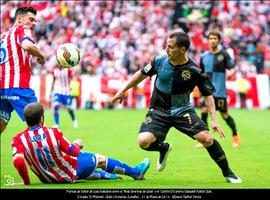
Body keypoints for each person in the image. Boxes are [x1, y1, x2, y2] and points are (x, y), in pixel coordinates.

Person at [112, 31, 241, 183]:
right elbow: (140, 74)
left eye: (171, 47)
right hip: (158, 110)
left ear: (182, 49)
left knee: (206, 138)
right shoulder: (159, 60)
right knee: (143, 142)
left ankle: (228, 173)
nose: (167, 49)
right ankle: (163, 148)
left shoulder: (194, 70)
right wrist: (123, 90)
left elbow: (208, 94)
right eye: (167, 45)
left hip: (182, 111)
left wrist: (213, 119)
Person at [11, 102, 150, 185]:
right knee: (98, 159)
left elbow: (18, 162)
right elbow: (74, 152)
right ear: (42, 118)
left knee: (80, 162)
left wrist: (26, 182)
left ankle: (110, 176)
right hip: (68, 173)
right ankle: (136, 173)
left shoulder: (18, 139)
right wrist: (77, 144)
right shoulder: (53, 132)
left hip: (47, 179)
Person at [0, 7, 45, 134]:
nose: (34, 23)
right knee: (39, 126)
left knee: (1, 123)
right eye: (31, 19)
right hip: (18, 87)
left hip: (2, 88)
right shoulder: (23, 29)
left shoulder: (3, 37)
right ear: (19, 19)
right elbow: (27, 45)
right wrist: (41, 56)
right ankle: (45, 153)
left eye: (35, 21)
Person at [199, 31, 240, 148]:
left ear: (219, 40)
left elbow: (232, 68)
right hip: (207, 91)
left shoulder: (224, 54)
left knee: (224, 115)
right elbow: (201, 73)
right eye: (210, 38)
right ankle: (205, 139)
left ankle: (235, 136)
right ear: (208, 40)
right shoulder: (203, 56)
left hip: (220, 91)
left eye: (215, 38)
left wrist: (231, 73)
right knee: (203, 112)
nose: (212, 40)